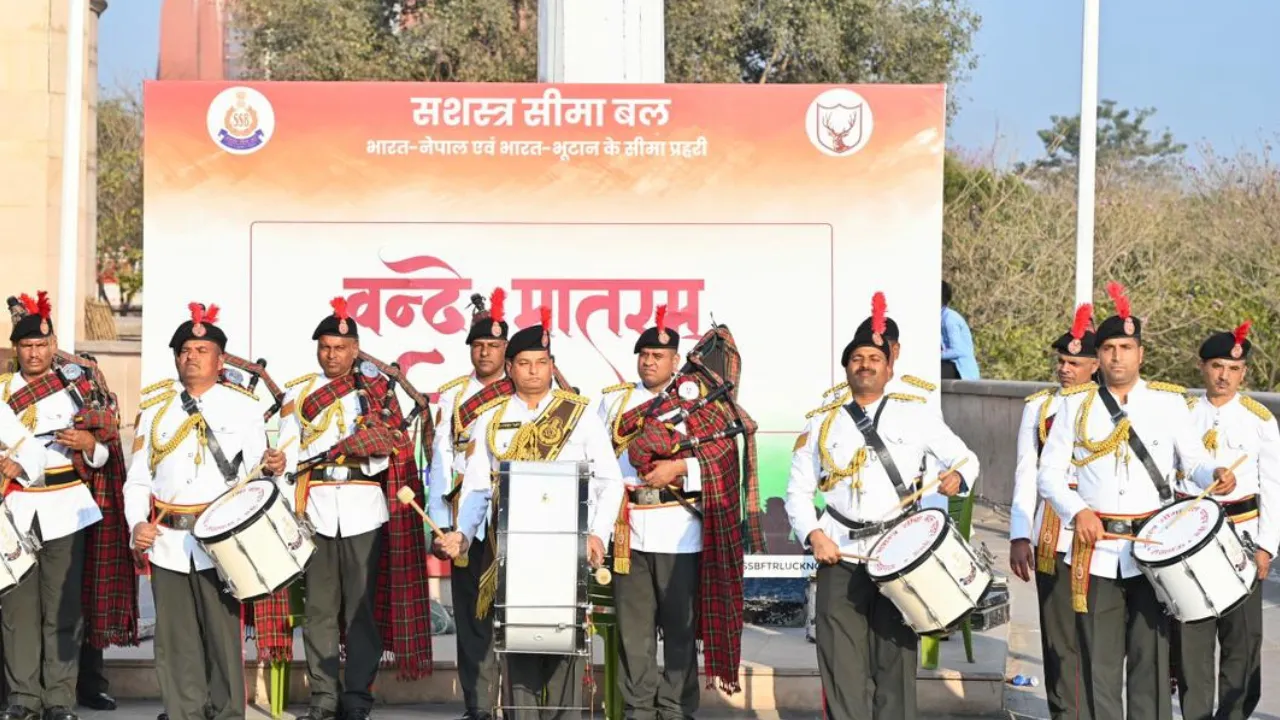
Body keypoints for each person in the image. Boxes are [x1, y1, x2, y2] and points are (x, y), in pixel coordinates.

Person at [1037, 282, 1236, 720]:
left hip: (1152, 548)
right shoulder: (1073, 406)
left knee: (1151, 661)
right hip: (1097, 547)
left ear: (1140, 354)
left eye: (1125, 347)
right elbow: (1048, 475)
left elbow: (1194, 460)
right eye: (1108, 347)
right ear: (1099, 354)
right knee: (1098, 663)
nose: (1116, 356)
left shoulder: (1167, 402)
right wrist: (1077, 511)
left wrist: (1214, 474)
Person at [785, 291, 980, 719]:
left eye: (874, 357)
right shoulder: (821, 422)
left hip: (898, 558)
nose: (865, 364)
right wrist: (814, 534)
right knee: (841, 670)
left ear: (889, 367)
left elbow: (967, 459)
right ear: (846, 366)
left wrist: (957, 477)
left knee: (894, 668)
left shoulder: (917, 414)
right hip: (839, 556)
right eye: (857, 357)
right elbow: (797, 493)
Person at [441, 309, 624, 720]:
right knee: (518, 642)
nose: (534, 371)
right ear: (510, 367)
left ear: (552, 366)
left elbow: (609, 481)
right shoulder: (491, 419)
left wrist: (597, 534)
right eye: (524, 363)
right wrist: (463, 536)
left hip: (568, 548)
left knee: (565, 644)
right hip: (512, 552)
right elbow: (476, 489)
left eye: (542, 363)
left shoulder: (580, 416)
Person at [264, 297, 433, 720]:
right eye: (324, 347)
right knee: (319, 612)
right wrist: (285, 464)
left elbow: (386, 452)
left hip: (363, 511)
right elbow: (288, 453)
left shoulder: (375, 391)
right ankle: (323, 698)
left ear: (355, 349)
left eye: (340, 348)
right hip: (315, 512)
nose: (331, 355)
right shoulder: (301, 393)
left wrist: (361, 445)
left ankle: (357, 698)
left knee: (361, 610)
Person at [124, 302, 270, 720]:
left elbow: (258, 480)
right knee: (174, 640)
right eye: (184, 350)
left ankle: (226, 714)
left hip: (220, 541)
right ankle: (183, 711)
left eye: (201, 351)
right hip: (168, 539)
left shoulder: (244, 408)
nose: (191, 357)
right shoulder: (155, 410)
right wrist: (137, 523)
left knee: (223, 638)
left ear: (220, 360)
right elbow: (138, 479)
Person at [0, 292, 136, 720]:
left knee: (62, 608)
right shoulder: (3, 393)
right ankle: (24, 698)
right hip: (15, 510)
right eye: (26, 346)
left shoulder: (75, 387)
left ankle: (59, 698)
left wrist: (89, 444)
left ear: (53, 343)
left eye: (42, 345)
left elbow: (104, 452)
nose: (35, 353)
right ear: (16, 348)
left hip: (65, 507)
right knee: (18, 613)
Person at [595, 306, 703, 720]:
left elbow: (717, 461)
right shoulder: (614, 402)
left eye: (659, 356)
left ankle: (675, 709)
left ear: (675, 360)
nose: (649, 361)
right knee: (633, 633)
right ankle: (638, 709)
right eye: (644, 354)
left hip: (679, 530)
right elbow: (600, 465)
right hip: (627, 532)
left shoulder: (694, 403)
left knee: (679, 630)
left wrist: (678, 468)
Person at [1171, 321, 1280, 719]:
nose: (1224, 376)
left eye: (1233, 370)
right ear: (1202, 367)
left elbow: (1274, 487)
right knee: (1193, 638)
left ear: (1244, 373)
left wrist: (1267, 546)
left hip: (1242, 539)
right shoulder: (1180, 414)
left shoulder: (1260, 420)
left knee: (1242, 639)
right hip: (1190, 538)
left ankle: (1234, 715)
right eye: (1217, 366)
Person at [1008, 303, 1098, 720]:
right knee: (1058, 637)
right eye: (1061, 361)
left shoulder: (1110, 404)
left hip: (1102, 537)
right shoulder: (1039, 407)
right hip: (1052, 532)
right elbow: (1026, 474)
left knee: (1101, 639)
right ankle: (1065, 713)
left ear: (1094, 366)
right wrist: (1018, 533)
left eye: (1075, 363)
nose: (1065, 369)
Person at [429, 290, 509, 720]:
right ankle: (479, 708)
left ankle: (515, 705)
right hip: (466, 526)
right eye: (478, 345)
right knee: (472, 619)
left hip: (516, 520)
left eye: (494, 346)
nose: (485, 352)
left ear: (506, 350)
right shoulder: (453, 397)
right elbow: (440, 465)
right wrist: (442, 527)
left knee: (516, 620)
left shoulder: (526, 393)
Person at [940, 281, 979, 380]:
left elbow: (958, 350)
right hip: (948, 364)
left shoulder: (949, 319)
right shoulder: (939, 317)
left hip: (960, 368)